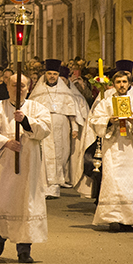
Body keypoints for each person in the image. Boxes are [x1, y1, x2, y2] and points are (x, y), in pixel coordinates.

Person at [0, 72, 51, 263]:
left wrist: (26, 121)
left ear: (28, 88)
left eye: (22, 86)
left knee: (27, 205)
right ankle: (0, 235)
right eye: (14, 85)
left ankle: (24, 249)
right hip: (5, 166)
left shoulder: (37, 108)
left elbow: (45, 128)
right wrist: (5, 142)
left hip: (28, 167)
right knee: (3, 201)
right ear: (7, 87)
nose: (18, 89)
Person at [89, 71, 133, 231]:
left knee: (132, 183)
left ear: (129, 84)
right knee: (113, 182)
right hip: (113, 149)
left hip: (132, 150)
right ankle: (114, 218)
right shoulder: (106, 103)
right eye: (118, 82)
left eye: (124, 82)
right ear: (113, 84)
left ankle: (130, 219)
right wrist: (108, 121)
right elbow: (94, 121)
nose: (121, 85)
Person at [28, 59, 80, 198]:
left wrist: (74, 127)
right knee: (44, 156)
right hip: (44, 128)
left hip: (61, 129)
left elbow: (72, 112)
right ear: (45, 74)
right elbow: (31, 110)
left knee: (60, 156)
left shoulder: (65, 91)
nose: (52, 76)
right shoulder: (38, 91)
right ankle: (45, 188)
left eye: (55, 74)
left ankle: (56, 187)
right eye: (49, 73)